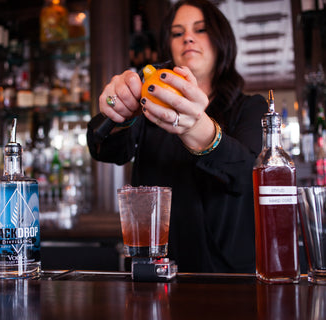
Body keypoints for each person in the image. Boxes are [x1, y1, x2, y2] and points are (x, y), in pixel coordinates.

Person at [87, 0, 268, 273]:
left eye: (201, 29)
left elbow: (247, 173)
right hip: (152, 274)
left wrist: (198, 128)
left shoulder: (250, 107)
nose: (188, 38)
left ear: (223, 41)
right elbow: (102, 147)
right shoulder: (150, 102)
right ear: (169, 47)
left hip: (228, 277)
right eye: (177, 32)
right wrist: (121, 109)